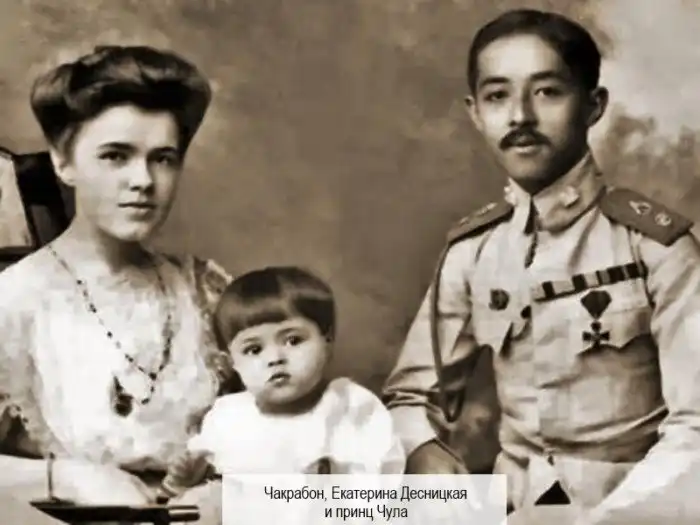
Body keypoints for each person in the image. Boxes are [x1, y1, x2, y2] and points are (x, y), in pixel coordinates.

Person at [382, 8, 700, 524]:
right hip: (512, 507)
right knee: (310, 508)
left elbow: (696, 431)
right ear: (475, 113)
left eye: (548, 91)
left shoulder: (655, 248)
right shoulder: (473, 253)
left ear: (593, 105)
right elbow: (410, 395)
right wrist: (422, 448)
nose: (520, 117)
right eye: (497, 96)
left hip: (635, 509)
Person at [0, 45, 241, 523]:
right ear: (63, 162)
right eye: (115, 156)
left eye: (163, 159)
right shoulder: (14, 301)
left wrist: (230, 494)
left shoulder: (206, 291)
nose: (143, 180)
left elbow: (279, 433)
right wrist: (63, 478)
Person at [156, 266, 405, 501]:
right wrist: (182, 481)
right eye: (254, 350)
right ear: (231, 363)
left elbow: (382, 481)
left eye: (293, 340)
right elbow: (186, 490)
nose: (275, 358)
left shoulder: (350, 407)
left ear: (327, 340)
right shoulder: (228, 417)